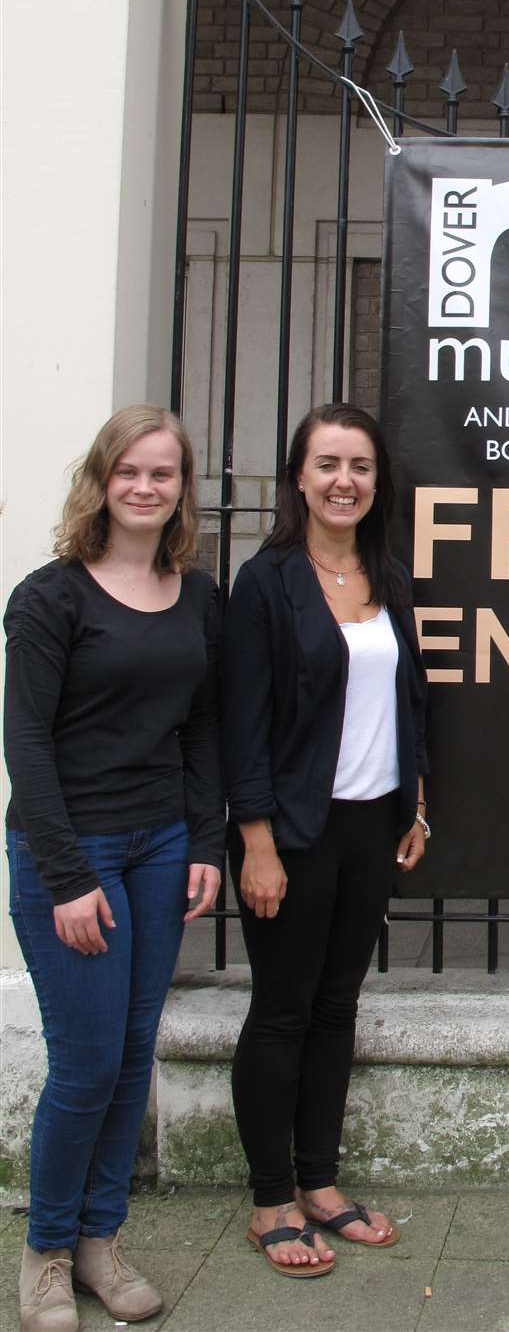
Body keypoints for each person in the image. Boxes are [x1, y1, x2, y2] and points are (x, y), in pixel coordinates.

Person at [4, 406, 223, 1332]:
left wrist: (205, 842)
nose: (145, 487)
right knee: (85, 1062)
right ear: (103, 478)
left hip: (160, 846)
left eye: (163, 473)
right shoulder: (50, 598)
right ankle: (46, 1251)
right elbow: (27, 743)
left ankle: (101, 1237)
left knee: (132, 1056)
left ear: (182, 489)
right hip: (77, 852)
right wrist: (64, 877)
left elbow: (203, 728)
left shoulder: (198, 595)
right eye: (130, 470)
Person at [222, 402, 429, 1279]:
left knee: (338, 1006)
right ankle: (271, 1197)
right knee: (282, 1009)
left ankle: (321, 1182)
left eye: (361, 466)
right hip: (294, 831)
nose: (345, 480)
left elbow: (408, 696)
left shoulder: (388, 571)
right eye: (328, 463)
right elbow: (243, 723)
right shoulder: (266, 580)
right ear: (298, 477)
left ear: (377, 484)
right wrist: (257, 841)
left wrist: (415, 801)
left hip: (371, 824)